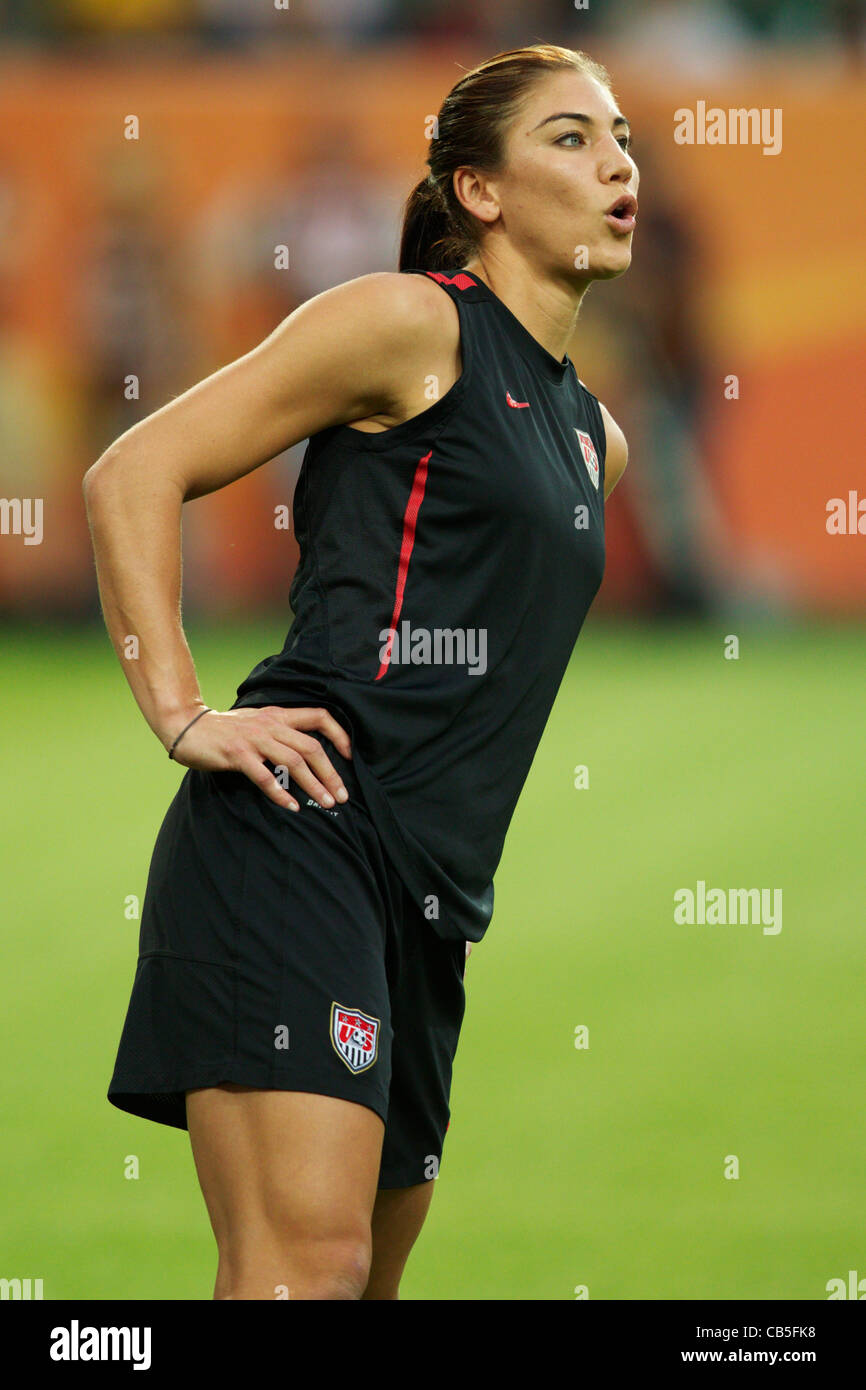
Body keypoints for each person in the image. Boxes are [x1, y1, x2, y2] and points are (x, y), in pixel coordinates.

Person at [83, 42, 637, 1300]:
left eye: (621, 140)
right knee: (303, 1272)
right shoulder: (410, 320)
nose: (614, 163)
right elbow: (132, 473)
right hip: (296, 841)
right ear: (478, 191)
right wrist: (181, 714)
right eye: (568, 136)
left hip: (430, 910)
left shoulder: (592, 439)